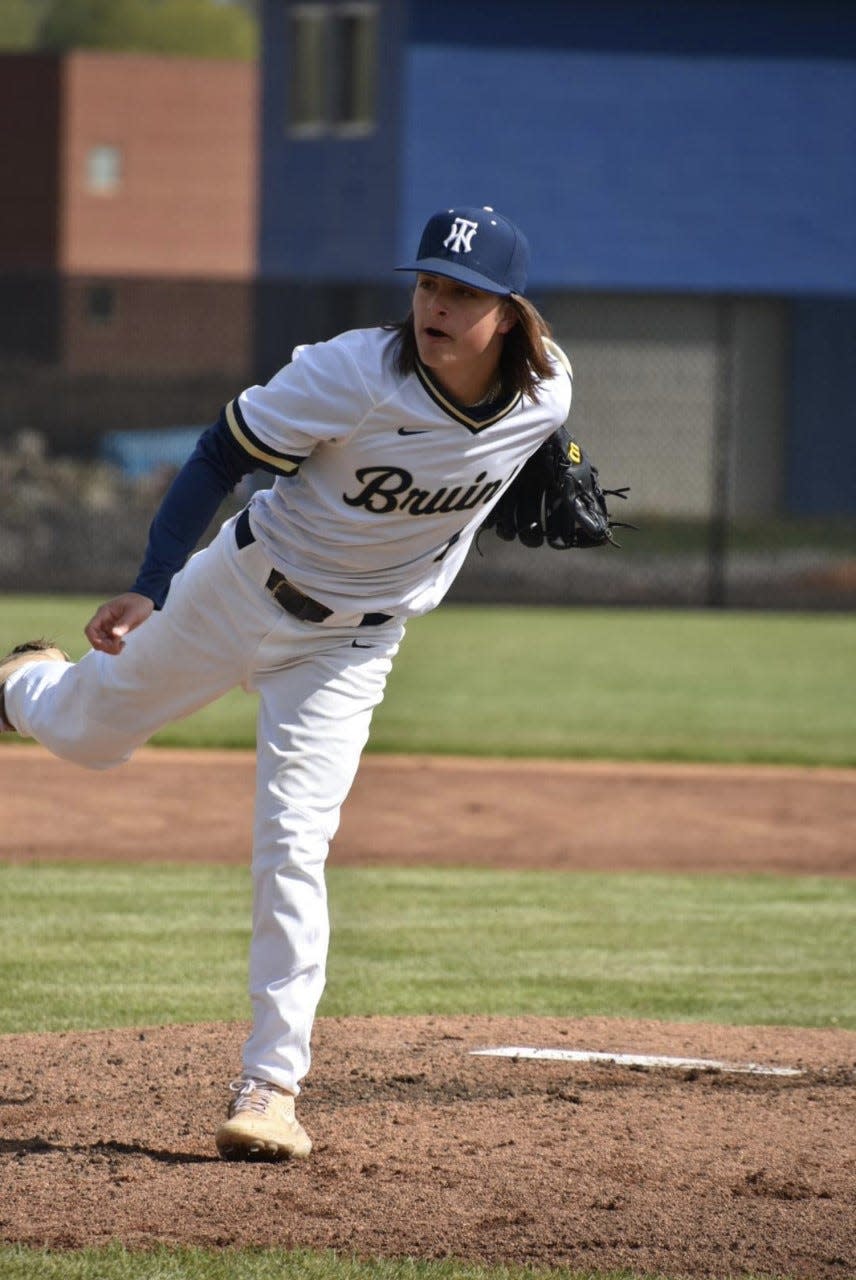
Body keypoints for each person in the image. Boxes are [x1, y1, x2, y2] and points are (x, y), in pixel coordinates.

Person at [0, 205, 575, 1162]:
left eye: (462, 292)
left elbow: (534, 440)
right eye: (428, 282)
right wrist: (149, 587)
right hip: (236, 590)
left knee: (294, 847)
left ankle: (269, 1089)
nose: (435, 303)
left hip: (349, 652)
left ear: (508, 313)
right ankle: (22, 683)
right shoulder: (351, 373)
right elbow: (219, 455)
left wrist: (558, 466)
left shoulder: (548, 395)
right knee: (84, 738)